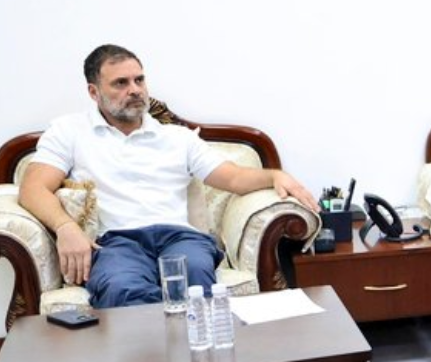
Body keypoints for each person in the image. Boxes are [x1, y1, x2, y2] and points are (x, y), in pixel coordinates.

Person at [19, 44, 318, 308]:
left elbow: (234, 178)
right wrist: (66, 227)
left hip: (179, 237)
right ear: (94, 92)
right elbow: (32, 189)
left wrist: (276, 176)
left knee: (197, 283)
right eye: (120, 83)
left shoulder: (177, 138)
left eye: (139, 80)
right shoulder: (69, 132)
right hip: (117, 243)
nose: (134, 89)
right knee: (122, 290)